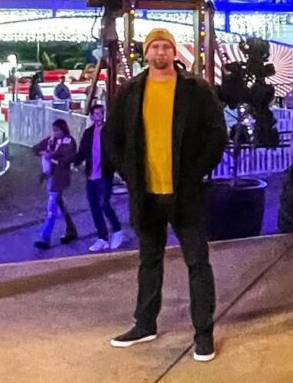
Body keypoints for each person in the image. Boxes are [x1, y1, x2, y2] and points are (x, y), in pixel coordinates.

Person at [105, 27, 227, 362]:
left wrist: (195, 172)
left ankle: (203, 335)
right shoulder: (131, 92)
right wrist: (130, 175)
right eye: (155, 47)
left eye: (166, 47)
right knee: (149, 261)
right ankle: (145, 324)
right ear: (146, 53)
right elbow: (112, 137)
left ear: (174, 52)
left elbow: (217, 134)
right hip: (147, 193)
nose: (160, 52)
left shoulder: (196, 90)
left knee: (197, 263)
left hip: (184, 193)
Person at [75, 104, 124, 252]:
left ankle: (117, 230)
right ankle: (102, 237)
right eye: (96, 114)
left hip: (105, 174)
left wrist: (116, 167)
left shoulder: (109, 132)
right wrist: (74, 162)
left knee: (104, 204)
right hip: (91, 174)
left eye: (101, 113)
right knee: (94, 207)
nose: (99, 116)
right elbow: (82, 151)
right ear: (91, 116)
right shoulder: (88, 133)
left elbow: (116, 150)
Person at [32, 119, 78, 249]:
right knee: (60, 204)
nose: (55, 133)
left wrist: (52, 156)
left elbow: (68, 158)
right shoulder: (51, 140)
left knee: (51, 207)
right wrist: (43, 152)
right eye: (54, 130)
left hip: (60, 178)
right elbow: (35, 148)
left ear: (63, 129)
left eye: (57, 130)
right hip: (51, 177)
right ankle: (71, 230)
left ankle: (45, 237)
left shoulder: (69, 142)